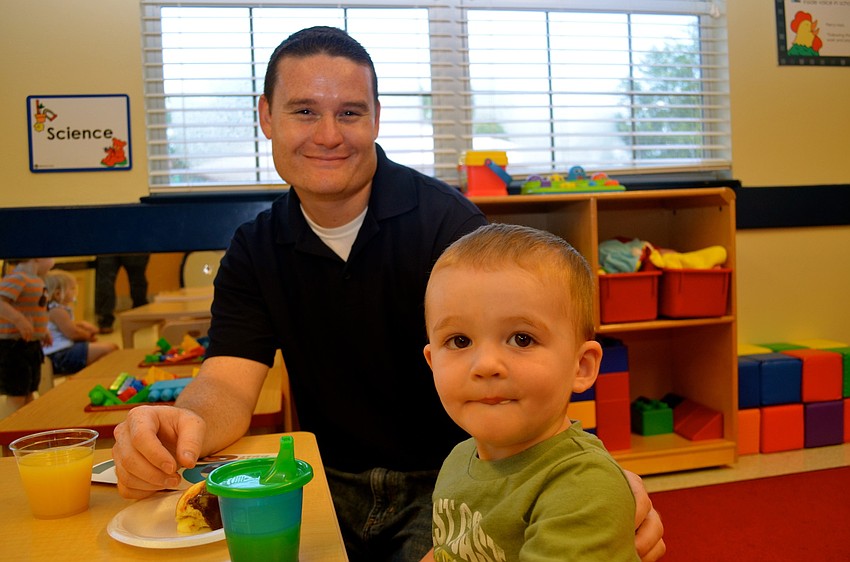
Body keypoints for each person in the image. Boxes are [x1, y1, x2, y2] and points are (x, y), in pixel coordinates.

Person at [111, 26, 664, 562]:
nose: (328, 134)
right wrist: (181, 426)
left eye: (349, 112)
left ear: (376, 118)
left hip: (450, 480)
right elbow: (228, 383)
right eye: (304, 110)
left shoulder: (450, 228)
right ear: (266, 117)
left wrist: (596, 484)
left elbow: (533, 359)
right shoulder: (256, 247)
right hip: (324, 478)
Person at [421, 223, 639, 561]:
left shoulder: (582, 488)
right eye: (459, 341)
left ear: (580, 367)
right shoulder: (459, 460)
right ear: (433, 362)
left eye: (522, 339)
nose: (486, 365)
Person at [0, 257, 54, 411]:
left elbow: (34, 310)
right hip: (13, 346)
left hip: (31, 344)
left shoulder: (36, 280)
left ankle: (26, 425)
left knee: (29, 390)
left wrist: (43, 331)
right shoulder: (18, 278)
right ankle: (9, 429)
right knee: (16, 393)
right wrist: (18, 320)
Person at [43, 269, 118, 375]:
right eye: (72, 288)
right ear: (58, 294)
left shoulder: (56, 309)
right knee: (110, 348)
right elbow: (72, 333)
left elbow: (66, 327)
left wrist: (81, 325)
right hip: (59, 356)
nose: (75, 291)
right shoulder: (57, 311)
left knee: (104, 348)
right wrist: (88, 336)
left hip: (61, 352)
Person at [94, 253, 150, 333]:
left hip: (107, 244)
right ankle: (140, 315)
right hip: (134, 244)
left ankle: (105, 321)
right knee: (137, 280)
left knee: (105, 281)